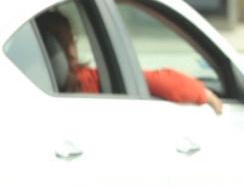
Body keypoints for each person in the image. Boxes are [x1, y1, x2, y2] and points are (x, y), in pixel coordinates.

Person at [36, 9, 222, 113]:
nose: (70, 48)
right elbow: (159, 81)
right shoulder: (87, 83)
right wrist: (202, 92)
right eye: (66, 41)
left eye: (72, 40)